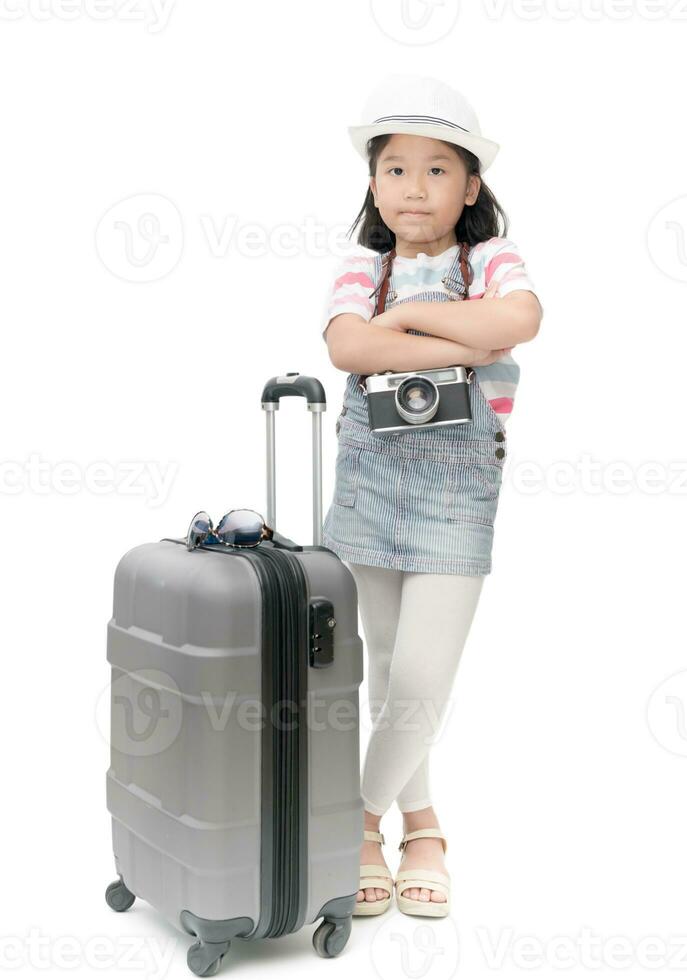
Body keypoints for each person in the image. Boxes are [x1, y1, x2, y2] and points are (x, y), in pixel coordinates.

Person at [319, 74, 543, 918]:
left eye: (438, 170)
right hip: (368, 485)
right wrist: (443, 328)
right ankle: (420, 831)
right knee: (379, 669)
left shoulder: (489, 259)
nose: (415, 188)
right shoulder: (361, 267)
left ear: (471, 186)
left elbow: (515, 321)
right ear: (373, 186)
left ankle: (352, 824)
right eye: (396, 170)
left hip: (456, 493)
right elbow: (346, 348)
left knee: (418, 681)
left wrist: (400, 331)